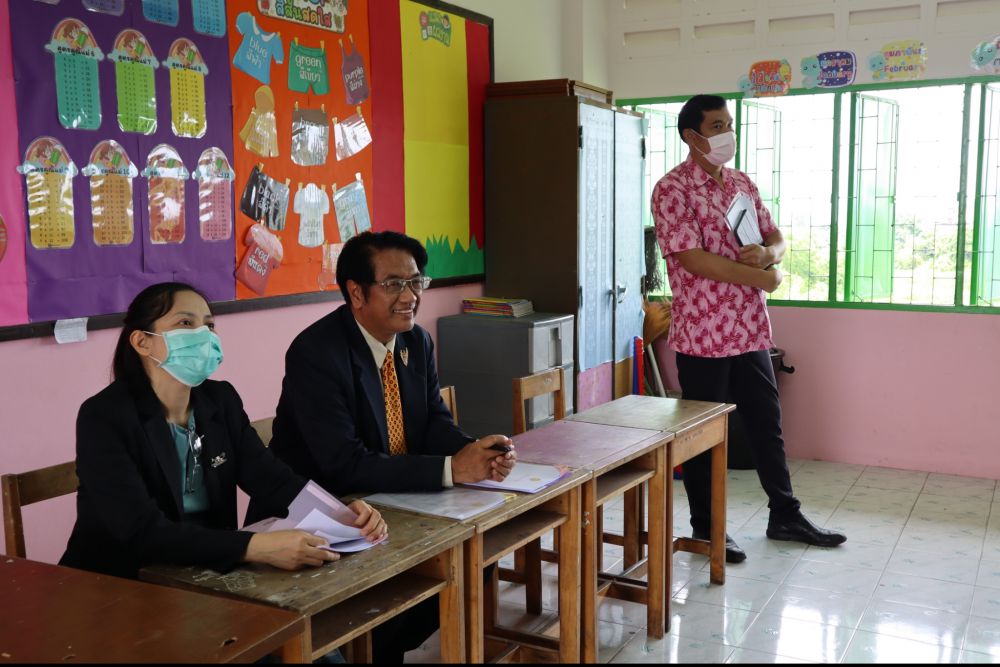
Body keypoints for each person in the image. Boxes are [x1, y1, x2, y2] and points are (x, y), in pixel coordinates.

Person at [264, 230, 517, 661]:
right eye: (394, 284)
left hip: (393, 499)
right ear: (356, 292)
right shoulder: (317, 352)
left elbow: (433, 420)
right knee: (408, 582)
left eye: (416, 282)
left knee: (478, 553)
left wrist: (476, 452)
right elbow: (343, 463)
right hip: (328, 512)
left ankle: (386, 649)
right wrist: (451, 469)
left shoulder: (416, 341)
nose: (410, 296)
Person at [60, 282, 387, 581]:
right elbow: (141, 530)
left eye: (209, 325)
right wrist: (256, 547)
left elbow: (271, 478)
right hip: (119, 582)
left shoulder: (220, 400)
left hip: (205, 570)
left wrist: (340, 514)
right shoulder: (104, 416)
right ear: (142, 342)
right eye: (185, 323)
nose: (202, 334)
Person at [651, 94, 846, 564]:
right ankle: (706, 529)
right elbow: (692, 259)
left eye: (729, 124)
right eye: (716, 126)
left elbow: (775, 237)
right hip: (703, 335)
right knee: (703, 434)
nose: (727, 134)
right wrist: (761, 278)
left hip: (749, 329)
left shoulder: (740, 183)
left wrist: (768, 256)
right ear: (692, 136)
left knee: (766, 424)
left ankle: (785, 515)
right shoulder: (672, 189)